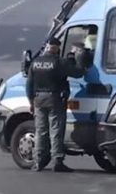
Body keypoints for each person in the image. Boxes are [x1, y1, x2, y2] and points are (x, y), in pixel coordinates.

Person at [26, 38, 85, 172]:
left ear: (47, 47)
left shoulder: (36, 62)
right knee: (56, 131)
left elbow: (29, 84)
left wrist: (31, 102)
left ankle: (39, 161)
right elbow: (78, 73)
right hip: (54, 99)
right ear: (57, 48)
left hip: (38, 99)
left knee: (41, 131)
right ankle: (57, 161)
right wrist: (78, 57)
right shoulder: (59, 62)